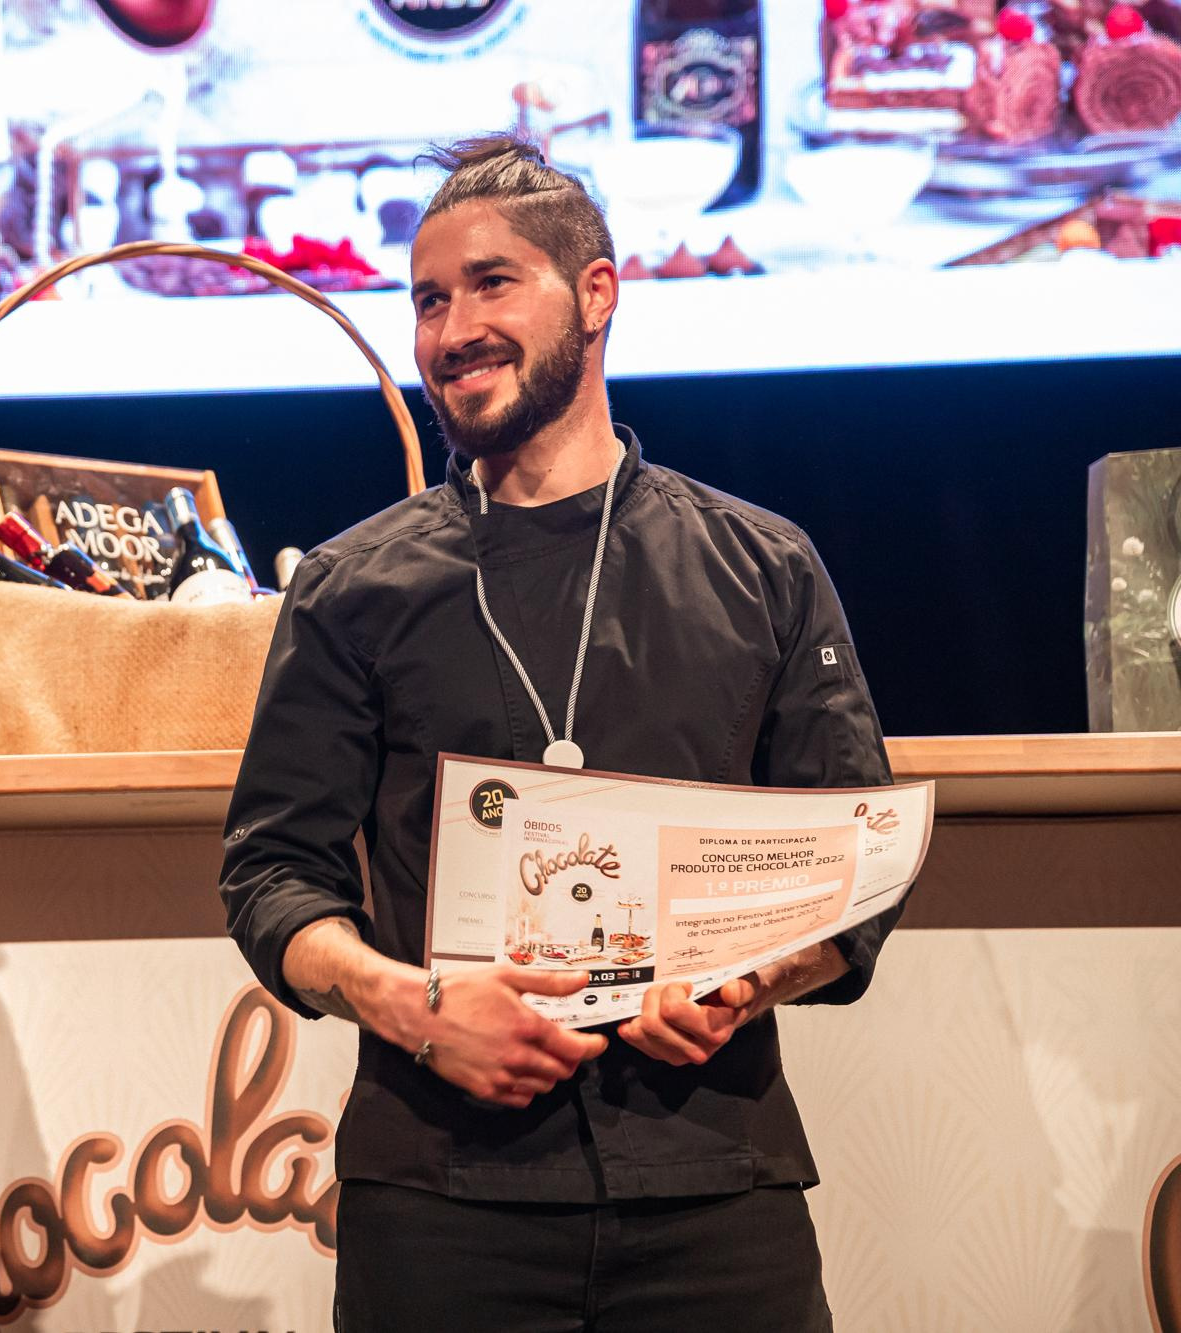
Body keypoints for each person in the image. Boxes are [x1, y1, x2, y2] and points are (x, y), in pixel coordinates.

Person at [220, 134, 902, 1331]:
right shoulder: (350, 587)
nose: (450, 329)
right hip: (440, 1201)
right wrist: (418, 1007)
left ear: (594, 295)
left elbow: (859, 867)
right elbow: (271, 874)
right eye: (427, 300)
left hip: (710, 1185)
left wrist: (740, 985)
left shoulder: (760, 565)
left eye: (490, 283)